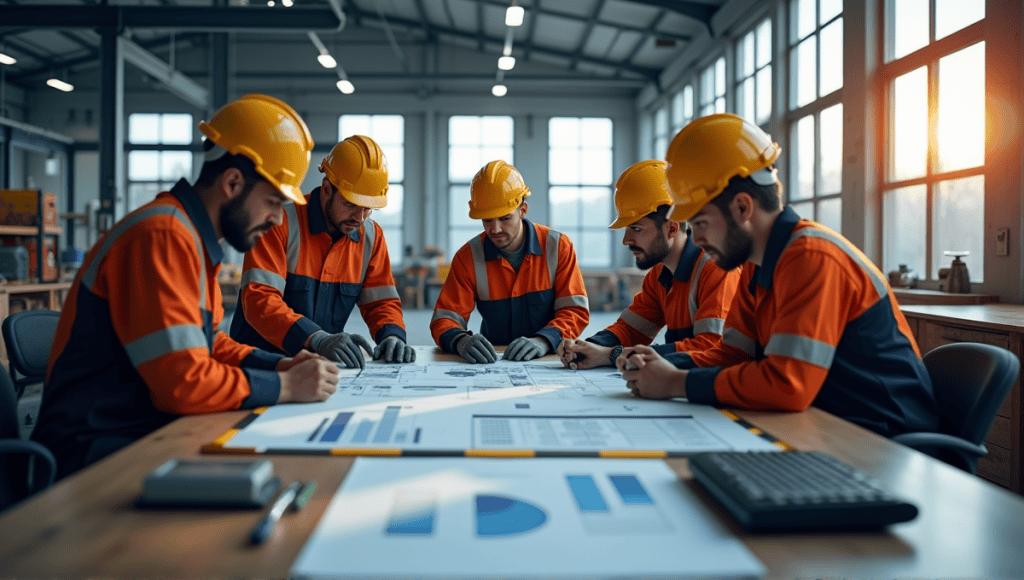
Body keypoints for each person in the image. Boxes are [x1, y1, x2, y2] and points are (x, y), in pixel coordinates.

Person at [34, 94, 341, 479]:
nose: (278, 218)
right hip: (92, 454)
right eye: (273, 201)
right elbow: (182, 383)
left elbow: (210, 344)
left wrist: (280, 364)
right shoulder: (162, 236)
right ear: (232, 183)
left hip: (137, 431)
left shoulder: (191, 238)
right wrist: (285, 386)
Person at [620, 113, 939, 437]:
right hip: (826, 426)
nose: (697, 240)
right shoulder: (754, 267)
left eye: (700, 223)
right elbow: (732, 355)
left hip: (886, 443)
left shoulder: (812, 259)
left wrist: (676, 382)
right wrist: (661, 363)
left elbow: (787, 384)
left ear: (743, 208)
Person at [230, 134, 413, 368]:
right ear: (327, 189)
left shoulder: (372, 237)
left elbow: (381, 303)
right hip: (257, 365)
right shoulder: (278, 223)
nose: (359, 217)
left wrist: (392, 335)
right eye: (350, 204)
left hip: (316, 370)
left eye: (368, 208)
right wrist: (317, 337)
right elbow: (259, 300)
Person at [557, 160, 740, 369]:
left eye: (636, 229)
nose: (626, 240)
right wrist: (587, 347)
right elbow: (630, 330)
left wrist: (612, 354)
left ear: (671, 229)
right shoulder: (660, 274)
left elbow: (711, 348)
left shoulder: (717, 268)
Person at [431, 160, 590, 363]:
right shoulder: (468, 257)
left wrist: (543, 340)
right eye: (488, 220)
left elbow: (575, 311)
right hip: (492, 361)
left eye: (504, 218)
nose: (495, 229)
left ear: (522, 210)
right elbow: (445, 319)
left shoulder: (557, 247)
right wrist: (460, 341)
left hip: (549, 357)